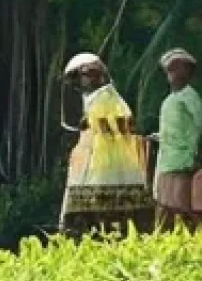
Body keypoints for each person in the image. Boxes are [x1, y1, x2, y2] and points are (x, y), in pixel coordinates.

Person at [58, 52, 153, 235]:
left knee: (103, 218)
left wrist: (93, 125)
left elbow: (119, 127)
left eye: (86, 75)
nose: (82, 82)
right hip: (99, 164)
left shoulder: (108, 99)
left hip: (105, 166)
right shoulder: (98, 100)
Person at [153, 49, 202, 230]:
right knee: (164, 202)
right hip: (166, 158)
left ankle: (200, 234)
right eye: (170, 69)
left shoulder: (190, 97)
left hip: (181, 159)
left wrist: (192, 155)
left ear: (187, 72)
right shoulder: (169, 99)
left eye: (176, 68)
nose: (172, 73)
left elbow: (196, 127)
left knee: (180, 204)